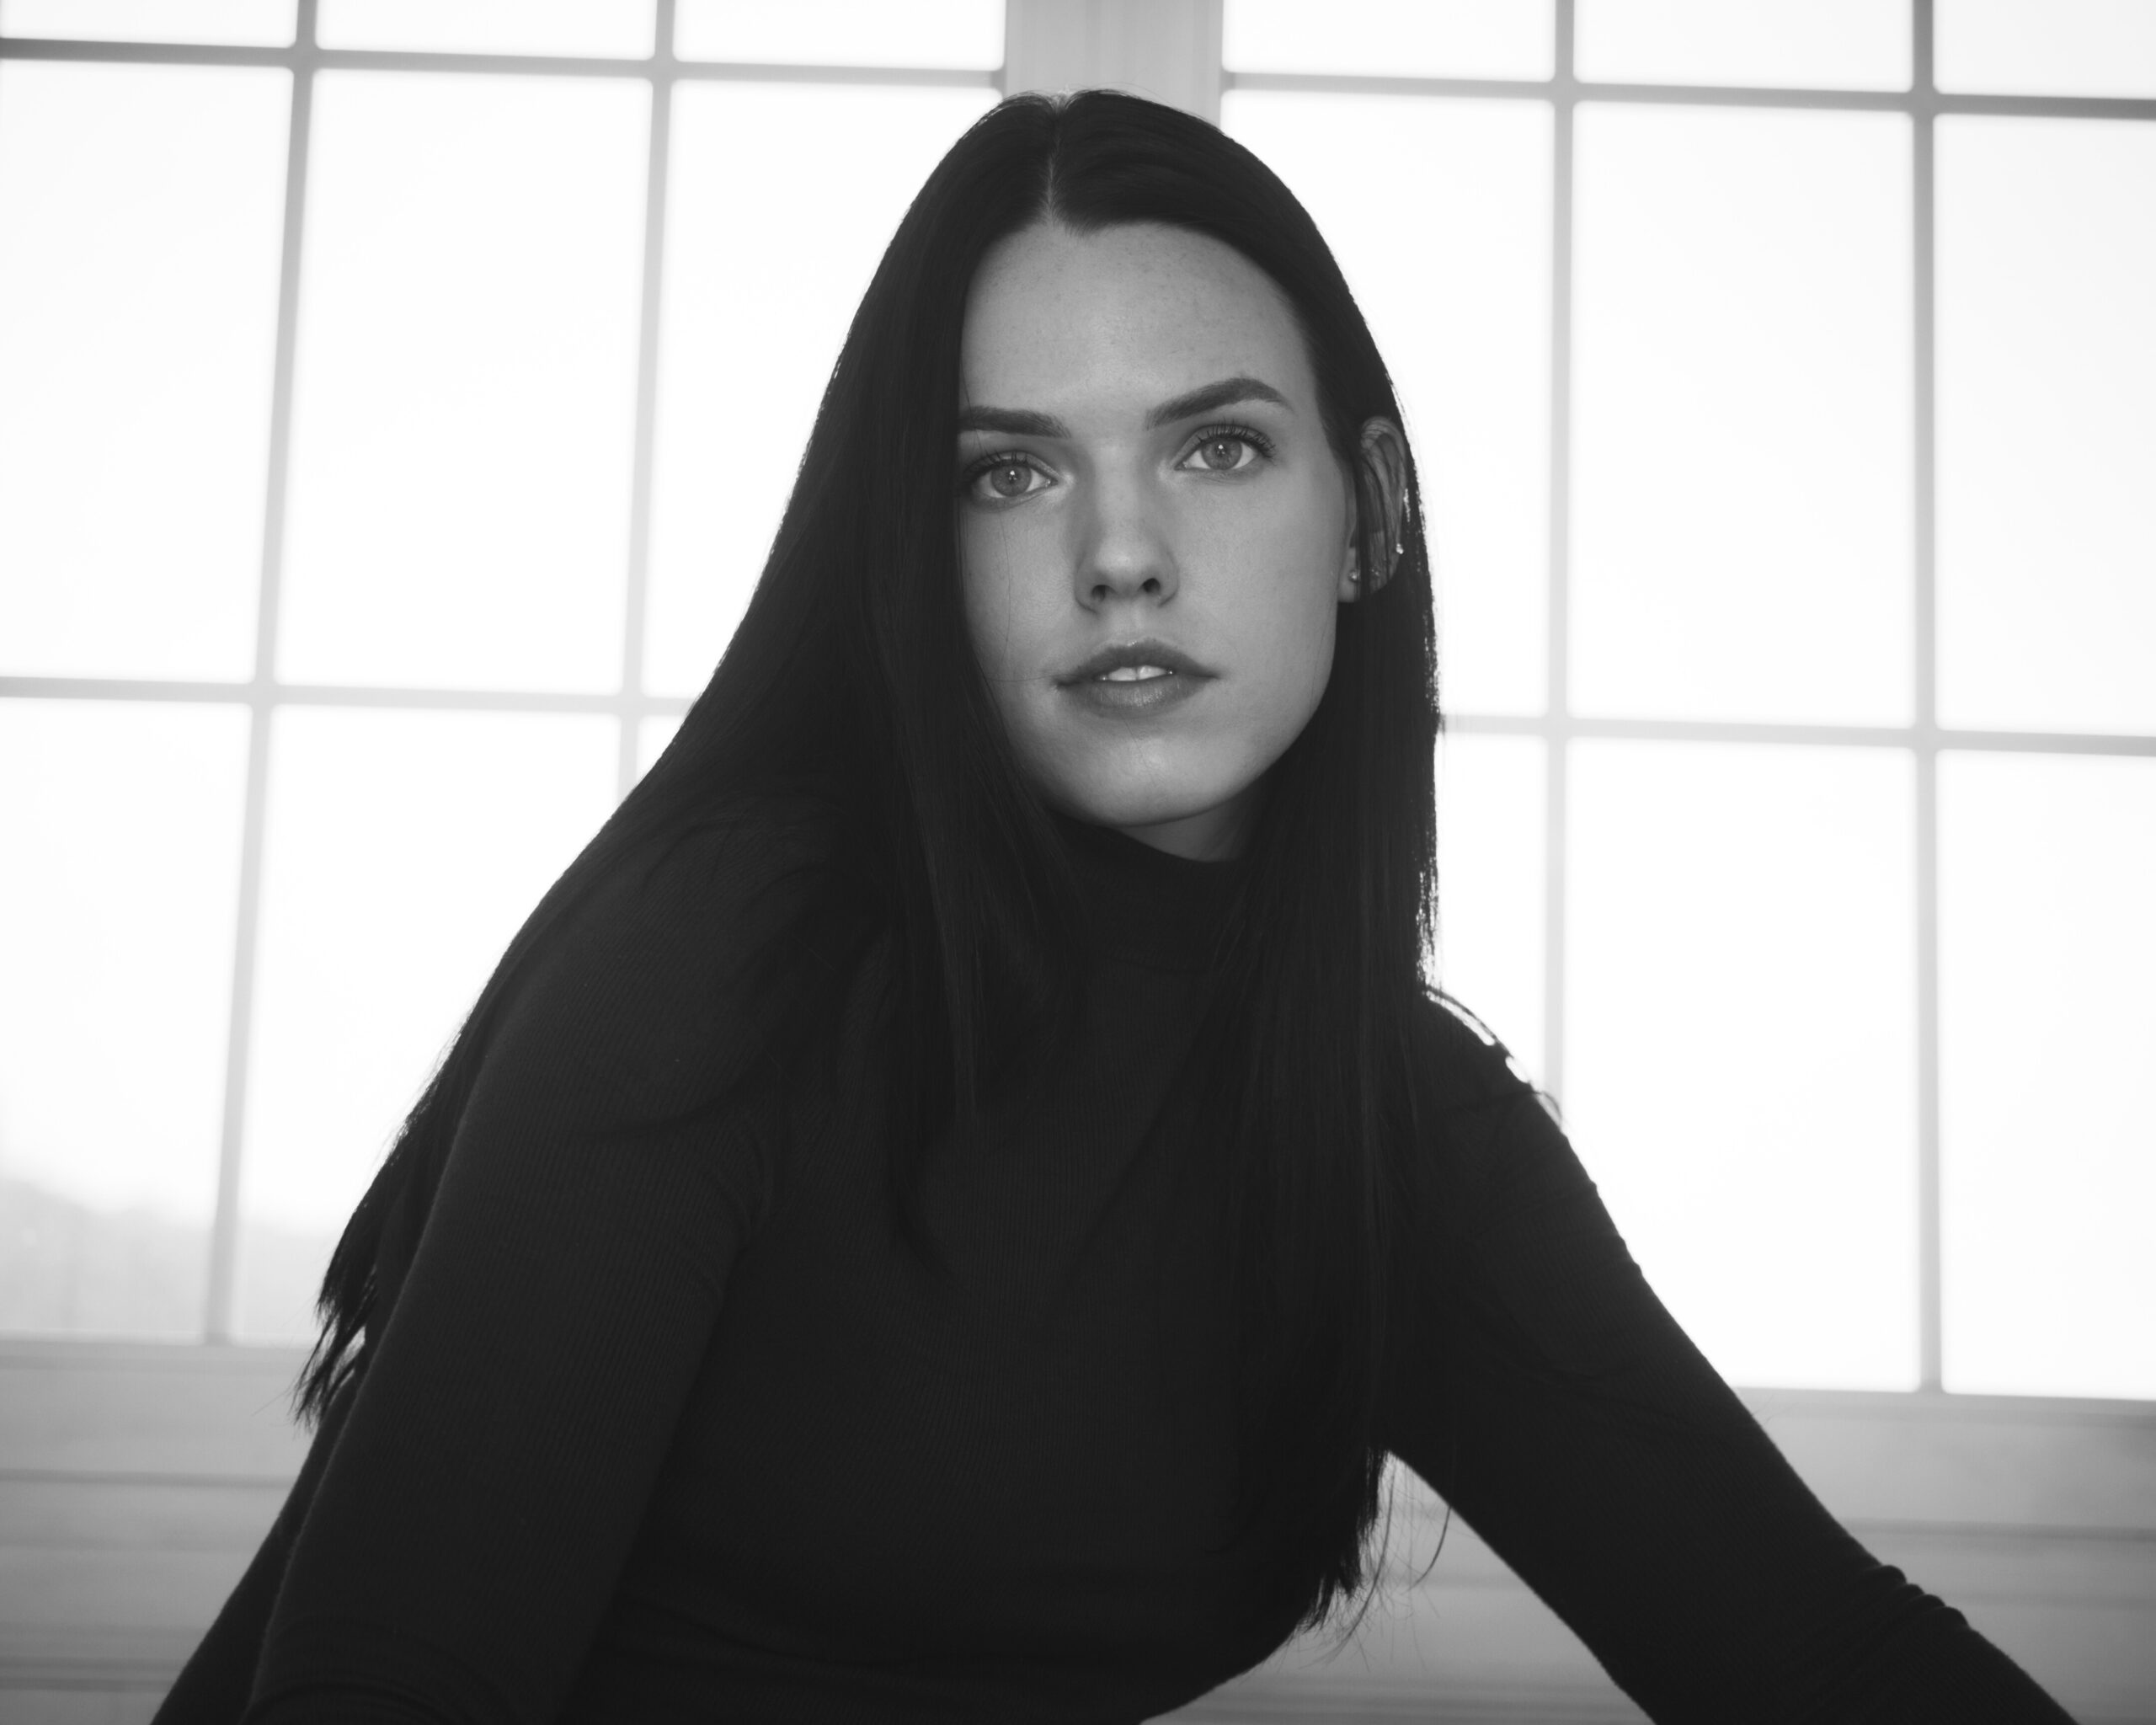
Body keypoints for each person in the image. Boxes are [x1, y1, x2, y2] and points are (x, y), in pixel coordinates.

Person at [156, 90, 2075, 1724]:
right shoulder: (736, 944)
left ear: (1366, 515)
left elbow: (1813, 1650)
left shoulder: (1393, 1129)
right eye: (1009, 475)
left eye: (1216, 445)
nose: (1120, 557)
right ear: (922, 549)